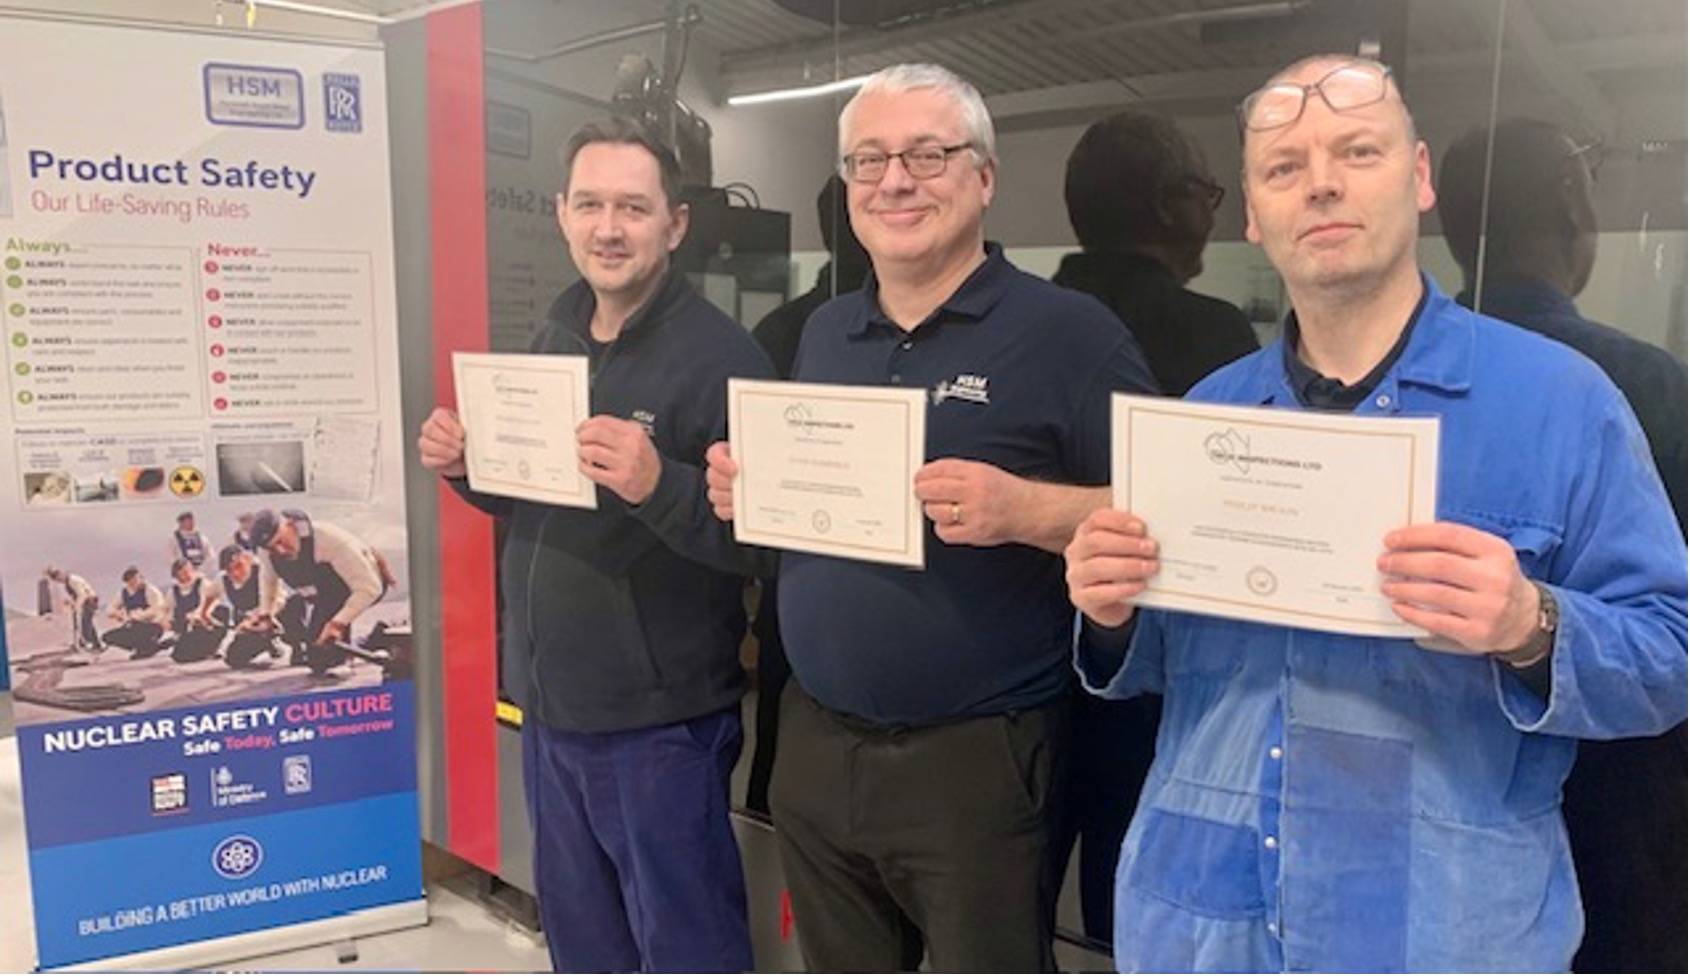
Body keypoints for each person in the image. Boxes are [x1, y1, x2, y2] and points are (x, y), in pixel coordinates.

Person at [1063, 54, 1688, 972]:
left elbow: (1670, 653)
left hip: (1440, 933)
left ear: (1421, 177)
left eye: (1358, 150)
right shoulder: (1204, 418)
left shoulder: (1561, 403)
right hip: (1202, 928)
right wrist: (1111, 615)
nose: (1321, 183)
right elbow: (1165, 664)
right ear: (1252, 210)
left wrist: (1532, 624)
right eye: (1284, 167)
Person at [704, 64, 1157, 972]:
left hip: (978, 762)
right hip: (816, 742)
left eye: (926, 154)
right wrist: (749, 492)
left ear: (984, 177)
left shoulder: (1072, 335)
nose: (894, 181)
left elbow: (1168, 517)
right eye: (869, 161)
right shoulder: (826, 333)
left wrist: (1029, 508)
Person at [417, 117, 771, 973]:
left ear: (675, 225)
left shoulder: (727, 361)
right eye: (590, 205)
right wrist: (469, 467)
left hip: (660, 725)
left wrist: (664, 485)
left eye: (633, 207)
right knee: (584, 945)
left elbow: (764, 548)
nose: (608, 228)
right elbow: (537, 499)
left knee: (685, 947)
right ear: (561, 214)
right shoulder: (555, 336)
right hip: (551, 710)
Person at [1438, 116, 1689, 974]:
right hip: (1614, 801)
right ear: (1574, 202)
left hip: (1454, 819)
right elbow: (1673, 632)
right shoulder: (1646, 383)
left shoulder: (1400, 393)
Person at [1048, 107, 1263, 943]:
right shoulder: (1211, 336)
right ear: (1174, 205)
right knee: (1123, 902)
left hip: (1003, 682)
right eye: (1210, 192)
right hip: (1146, 680)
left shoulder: (1018, 322)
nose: (1214, 212)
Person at [742, 174, 873, 815]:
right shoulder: (795, 332)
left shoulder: (776, 328)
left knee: (783, 762)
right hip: (797, 601)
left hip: (793, 598)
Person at [1056, 108, 1260, 397]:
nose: (1212, 218)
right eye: (1207, 194)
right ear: (1165, 205)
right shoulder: (1213, 333)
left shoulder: (1026, 323)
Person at [248, 508, 389, 670]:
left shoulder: (327, 539)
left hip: (366, 583)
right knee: (316, 657)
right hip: (323, 595)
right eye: (272, 548)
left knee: (328, 655)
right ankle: (373, 640)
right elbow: (268, 581)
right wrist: (266, 614)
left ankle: (343, 657)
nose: (280, 551)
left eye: (281, 541)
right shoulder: (268, 551)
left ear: (291, 525)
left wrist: (337, 624)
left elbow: (370, 588)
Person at [199, 544, 297, 669]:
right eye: (229, 570)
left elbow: (279, 600)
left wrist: (257, 618)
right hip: (251, 628)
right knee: (234, 659)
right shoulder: (223, 580)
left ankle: (297, 647)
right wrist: (204, 613)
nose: (235, 573)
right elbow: (210, 594)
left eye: (239, 566)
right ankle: (268, 644)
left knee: (293, 607)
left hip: (274, 618)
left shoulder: (264, 572)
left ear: (247, 559)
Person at [101, 566, 167, 659]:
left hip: (151, 626)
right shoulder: (124, 592)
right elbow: (110, 608)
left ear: (141, 578)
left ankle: (148, 646)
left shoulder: (151, 591)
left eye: (135, 579)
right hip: (133, 626)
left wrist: (139, 615)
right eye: (130, 580)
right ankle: (144, 647)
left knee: (141, 632)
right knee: (107, 637)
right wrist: (118, 614)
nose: (133, 582)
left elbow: (157, 610)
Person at [43, 566, 100, 652]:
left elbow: (82, 594)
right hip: (84, 601)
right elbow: (75, 595)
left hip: (89, 600)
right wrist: (72, 604)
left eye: (58, 579)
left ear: (60, 575)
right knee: (87, 622)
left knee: (86, 622)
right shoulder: (68, 582)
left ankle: (87, 643)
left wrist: (77, 606)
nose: (59, 582)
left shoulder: (73, 580)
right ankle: (96, 644)